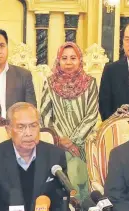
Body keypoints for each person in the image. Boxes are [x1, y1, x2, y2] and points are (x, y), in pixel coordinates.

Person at [39, 42, 99, 201]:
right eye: (64, 58)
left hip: (84, 144)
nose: (69, 62)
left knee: (82, 180)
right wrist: (62, 140)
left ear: (80, 60)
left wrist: (73, 141)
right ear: (58, 61)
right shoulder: (50, 83)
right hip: (58, 144)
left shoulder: (90, 83)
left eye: (73, 58)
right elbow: (45, 115)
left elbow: (92, 114)